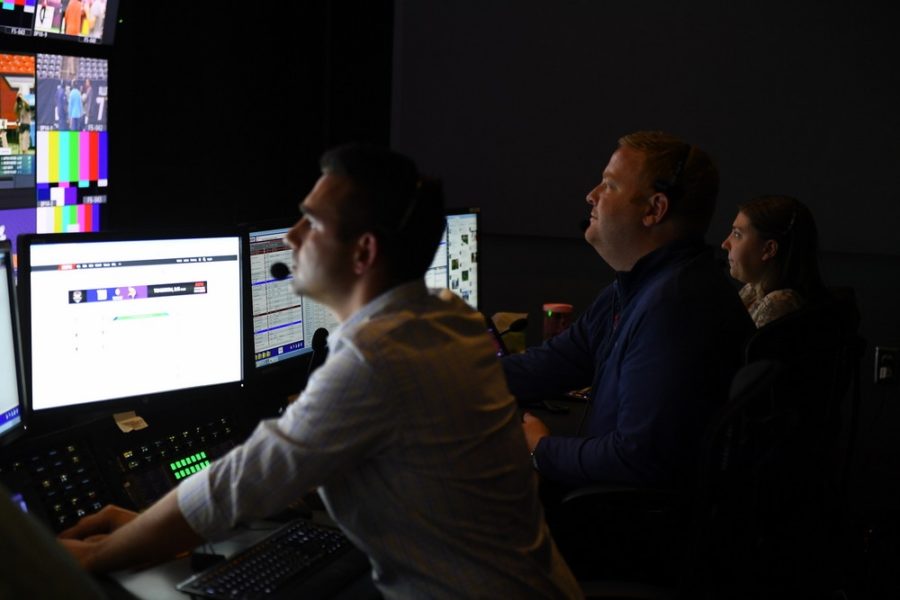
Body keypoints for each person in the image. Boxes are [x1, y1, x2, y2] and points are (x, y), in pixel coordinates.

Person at [58, 144, 581, 599]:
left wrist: (94, 558)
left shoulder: (376, 359)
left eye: (312, 221)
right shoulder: (446, 315)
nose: (291, 235)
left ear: (363, 251)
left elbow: (236, 485)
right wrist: (158, 529)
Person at [503, 131, 754, 490]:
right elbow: (555, 363)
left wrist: (541, 450)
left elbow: (637, 458)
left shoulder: (676, 308)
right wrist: (457, 380)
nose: (591, 196)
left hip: (629, 528)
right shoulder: (637, 288)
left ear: (654, 209)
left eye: (609, 185)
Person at [721, 195, 827, 328]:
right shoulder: (753, 289)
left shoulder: (779, 304)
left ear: (769, 249)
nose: (725, 244)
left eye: (737, 234)